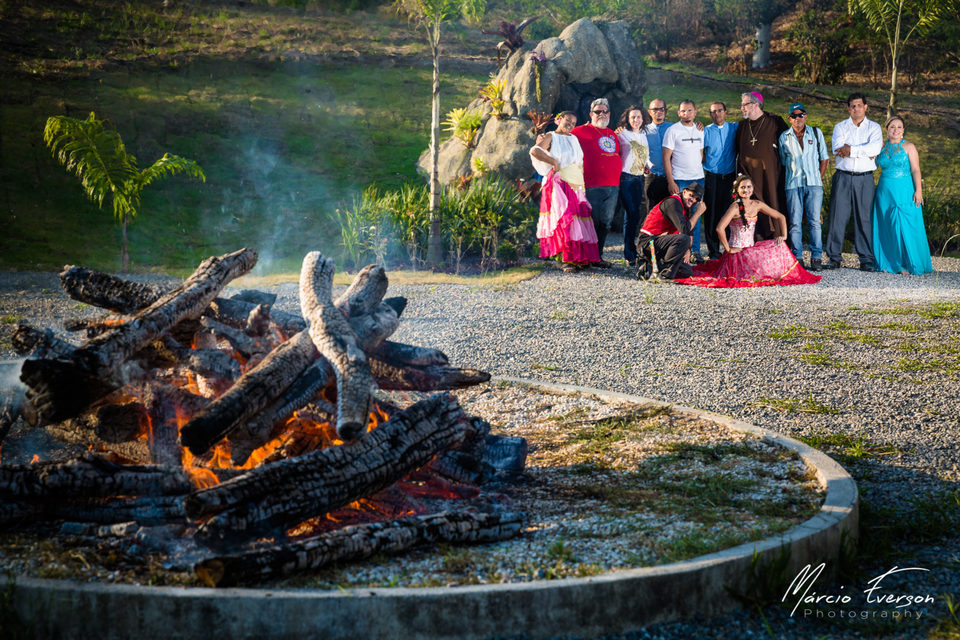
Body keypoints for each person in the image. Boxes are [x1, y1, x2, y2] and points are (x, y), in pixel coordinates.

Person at [675, 175, 821, 288]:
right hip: (737, 252)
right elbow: (719, 228)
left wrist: (783, 235)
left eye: (749, 187)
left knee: (780, 245)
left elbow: (780, 217)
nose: (746, 190)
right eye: (743, 188)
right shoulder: (734, 207)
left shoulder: (757, 204)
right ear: (737, 190)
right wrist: (728, 249)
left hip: (751, 249)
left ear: (753, 188)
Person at [530, 111, 601, 272]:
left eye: (573, 123)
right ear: (559, 120)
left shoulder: (573, 138)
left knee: (578, 220)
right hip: (561, 183)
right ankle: (564, 259)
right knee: (565, 219)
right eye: (567, 120)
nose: (570, 124)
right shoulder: (551, 136)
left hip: (576, 184)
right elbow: (535, 151)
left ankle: (578, 257)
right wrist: (553, 161)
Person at [825, 92, 883, 271]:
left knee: (864, 218)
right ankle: (834, 257)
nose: (856, 108)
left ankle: (865, 258)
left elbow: (875, 148)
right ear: (848, 108)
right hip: (843, 176)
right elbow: (838, 148)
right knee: (837, 217)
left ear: (865, 107)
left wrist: (851, 150)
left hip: (865, 178)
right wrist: (863, 151)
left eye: (859, 105)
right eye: (852, 106)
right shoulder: (840, 127)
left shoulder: (874, 128)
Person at [872, 116, 933, 275]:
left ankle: (907, 263)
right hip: (885, 191)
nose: (896, 130)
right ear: (887, 129)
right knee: (886, 225)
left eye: (899, 127)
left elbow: (915, 169)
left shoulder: (909, 146)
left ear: (903, 130)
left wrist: (918, 190)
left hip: (904, 189)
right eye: (892, 127)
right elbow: (871, 163)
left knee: (904, 223)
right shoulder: (881, 147)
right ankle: (888, 262)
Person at [777, 102, 829, 271]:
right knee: (795, 222)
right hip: (793, 184)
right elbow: (784, 161)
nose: (798, 118)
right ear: (789, 118)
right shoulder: (784, 137)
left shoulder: (815, 132)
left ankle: (816, 257)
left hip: (814, 184)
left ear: (805, 116)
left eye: (801, 115)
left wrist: (818, 179)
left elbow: (825, 159)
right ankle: (797, 256)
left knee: (814, 221)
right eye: (794, 116)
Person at [571, 97, 620, 266]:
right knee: (591, 222)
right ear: (591, 114)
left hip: (613, 186)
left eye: (605, 111)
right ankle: (584, 257)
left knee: (605, 222)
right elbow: (561, 137)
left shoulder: (612, 134)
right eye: (598, 112)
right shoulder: (580, 131)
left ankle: (597, 257)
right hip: (592, 186)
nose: (602, 114)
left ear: (609, 114)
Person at [734, 91, 788, 241]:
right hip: (749, 176)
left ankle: (777, 240)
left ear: (756, 104)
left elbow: (788, 143)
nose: (742, 108)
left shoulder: (775, 122)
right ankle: (756, 241)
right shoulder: (742, 125)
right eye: (742, 105)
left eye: (745, 104)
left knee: (772, 204)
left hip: (770, 175)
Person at [662, 99, 706, 260]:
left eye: (689, 110)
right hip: (680, 179)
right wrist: (670, 181)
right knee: (679, 217)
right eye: (683, 111)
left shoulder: (700, 130)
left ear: (695, 112)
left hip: (698, 178)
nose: (686, 113)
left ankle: (695, 251)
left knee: (696, 214)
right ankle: (679, 250)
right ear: (678, 113)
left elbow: (700, 155)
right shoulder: (673, 130)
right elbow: (666, 157)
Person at [635, 183, 705, 281]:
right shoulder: (673, 202)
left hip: (660, 243)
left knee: (687, 272)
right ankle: (664, 274)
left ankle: (650, 267)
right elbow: (684, 229)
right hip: (648, 242)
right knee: (683, 239)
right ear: (684, 192)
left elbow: (689, 232)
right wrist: (697, 213)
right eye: (691, 195)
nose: (693, 200)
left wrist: (688, 250)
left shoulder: (683, 206)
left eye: (697, 199)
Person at [615, 105, 652, 265]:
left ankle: (631, 251)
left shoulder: (643, 135)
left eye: (638, 117)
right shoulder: (622, 134)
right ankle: (629, 253)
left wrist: (645, 165)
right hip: (625, 178)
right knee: (631, 214)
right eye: (632, 117)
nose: (635, 120)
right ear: (627, 119)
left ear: (643, 118)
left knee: (634, 215)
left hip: (638, 178)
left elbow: (643, 155)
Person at [702, 101, 738, 260]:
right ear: (710, 114)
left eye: (720, 110)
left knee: (728, 213)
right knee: (711, 214)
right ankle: (713, 251)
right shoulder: (705, 131)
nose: (717, 114)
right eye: (713, 111)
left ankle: (728, 248)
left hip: (730, 176)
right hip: (712, 176)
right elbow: (701, 153)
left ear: (726, 111)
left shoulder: (734, 128)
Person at [643, 98, 674, 210]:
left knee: (670, 213)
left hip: (671, 178)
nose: (659, 111)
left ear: (665, 111)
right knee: (651, 211)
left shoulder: (674, 128)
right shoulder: (643, 130)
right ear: (650, 112)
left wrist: (698, 125)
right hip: (652, 177)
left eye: (662, 109)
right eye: (655, 109)